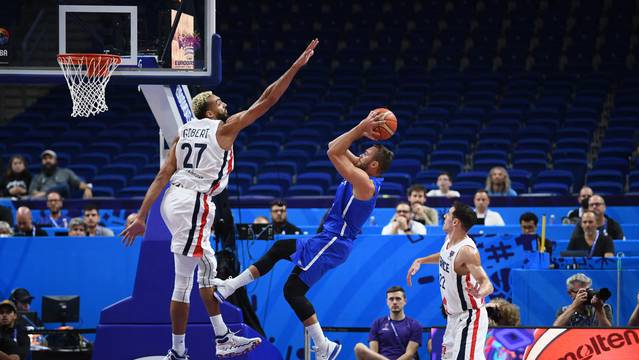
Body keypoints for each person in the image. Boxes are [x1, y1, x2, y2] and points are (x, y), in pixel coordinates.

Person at [120, 39, 319, 360]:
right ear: (209, 110)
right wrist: (296, 67)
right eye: (219, 100)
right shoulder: (222, 129)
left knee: (207, 271)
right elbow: (266, 100)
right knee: (184, 283)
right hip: (194, 203)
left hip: (177, 200)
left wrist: (143, 215)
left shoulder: (183, 133)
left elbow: (161, 176)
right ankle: (178, 352)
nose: (223, 102)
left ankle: (222, 337)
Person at [212, 110, 394, 360]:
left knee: (285, 264)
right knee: (290, 283)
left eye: (366, 154)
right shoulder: (361, 173)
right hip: (330, 240)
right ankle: (323, 345)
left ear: (373, 165)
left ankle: (231, 286)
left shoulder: (365, 182)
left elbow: (333, 153)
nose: (361, 154)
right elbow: (333, 146)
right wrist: (361, 130)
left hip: (333, 241)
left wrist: (361, 126)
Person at [406, 202, 493, 360]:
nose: (444, 216)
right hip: (453, 317)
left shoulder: (467, 251)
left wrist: (481, 292)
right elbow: (445, 256)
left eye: (448, 214)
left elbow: (486, 282)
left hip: (470, 316)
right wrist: (421, 260)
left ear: (455, 222)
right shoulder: (449, 240)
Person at [353, 286, 422, 360]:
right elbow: (373, 354)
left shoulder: (414, 325)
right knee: (359, 347)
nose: (394, 302)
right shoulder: (377, 323)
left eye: (398, 299)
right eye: (391, 299)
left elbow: (410, 354)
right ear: (387, 302)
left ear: (405, 301)